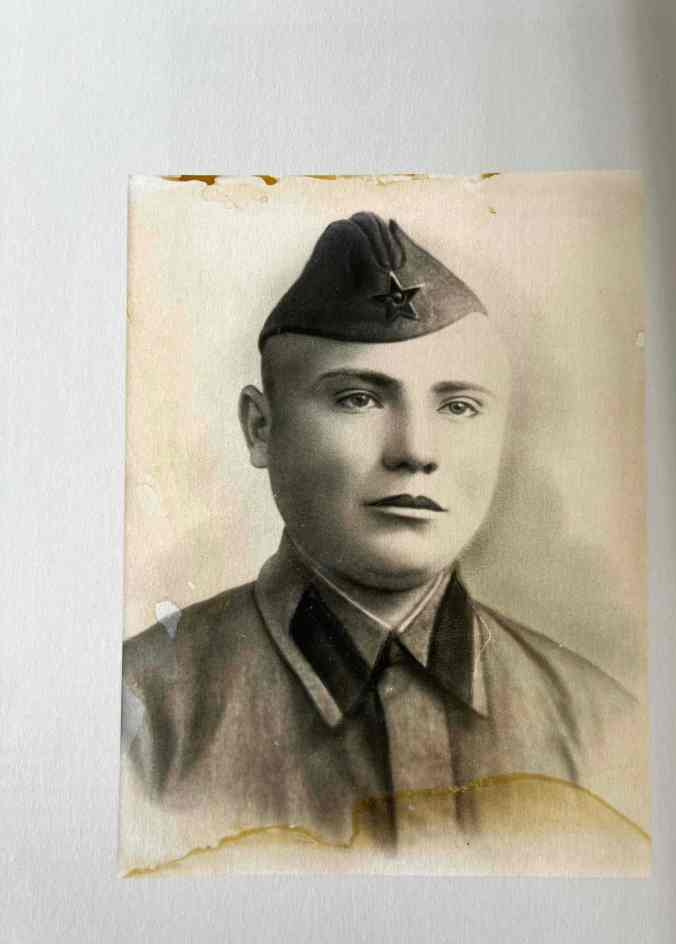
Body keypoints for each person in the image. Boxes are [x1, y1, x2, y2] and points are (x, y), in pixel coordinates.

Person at [121, 211, 646, 865]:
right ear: (260, 428)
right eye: (359, 398)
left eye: (458, 406)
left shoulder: (601, 724)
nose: (416, 451)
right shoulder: (139, 718)